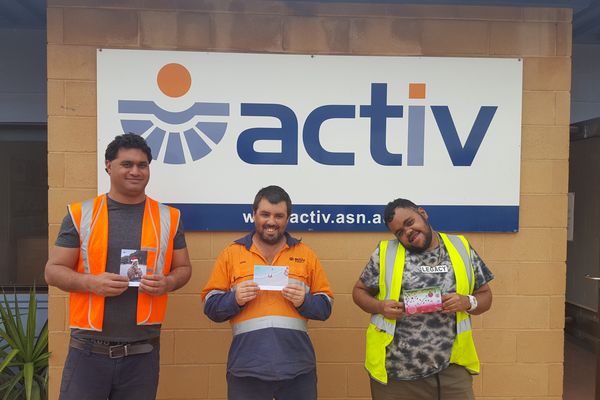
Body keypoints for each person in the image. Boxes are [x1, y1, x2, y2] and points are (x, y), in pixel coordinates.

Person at [45, 133, 192, 400]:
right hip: (88, 350)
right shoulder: (81, 214)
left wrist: (168, 282)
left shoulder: (169, 217)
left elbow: (183, 268)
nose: (135, 171)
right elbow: (53, 271)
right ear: (108, 166)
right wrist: (91, 282)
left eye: (142, 165)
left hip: (142, 352)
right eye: (127, 164)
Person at [352, 198, 493, 400]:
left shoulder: (460, 247)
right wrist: (380, 306)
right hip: (396, 374)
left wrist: (467, 302)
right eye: (399, 232)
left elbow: (486, 296)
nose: (407, 232)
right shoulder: (385, 253)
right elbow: (359, 292)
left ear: (423, 213)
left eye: (409, 222)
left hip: (452, 370)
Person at [201, 185, 333, 400]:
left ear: (288, 218)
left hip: (298, 369)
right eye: (265, 214)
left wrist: (304, 301)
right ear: (254, 214)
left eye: (279, 216)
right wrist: (234, 299)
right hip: (246, 369)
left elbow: (325, 307)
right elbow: (210, 307)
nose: (271, 221)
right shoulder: (231, 254)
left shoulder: (306, 255)